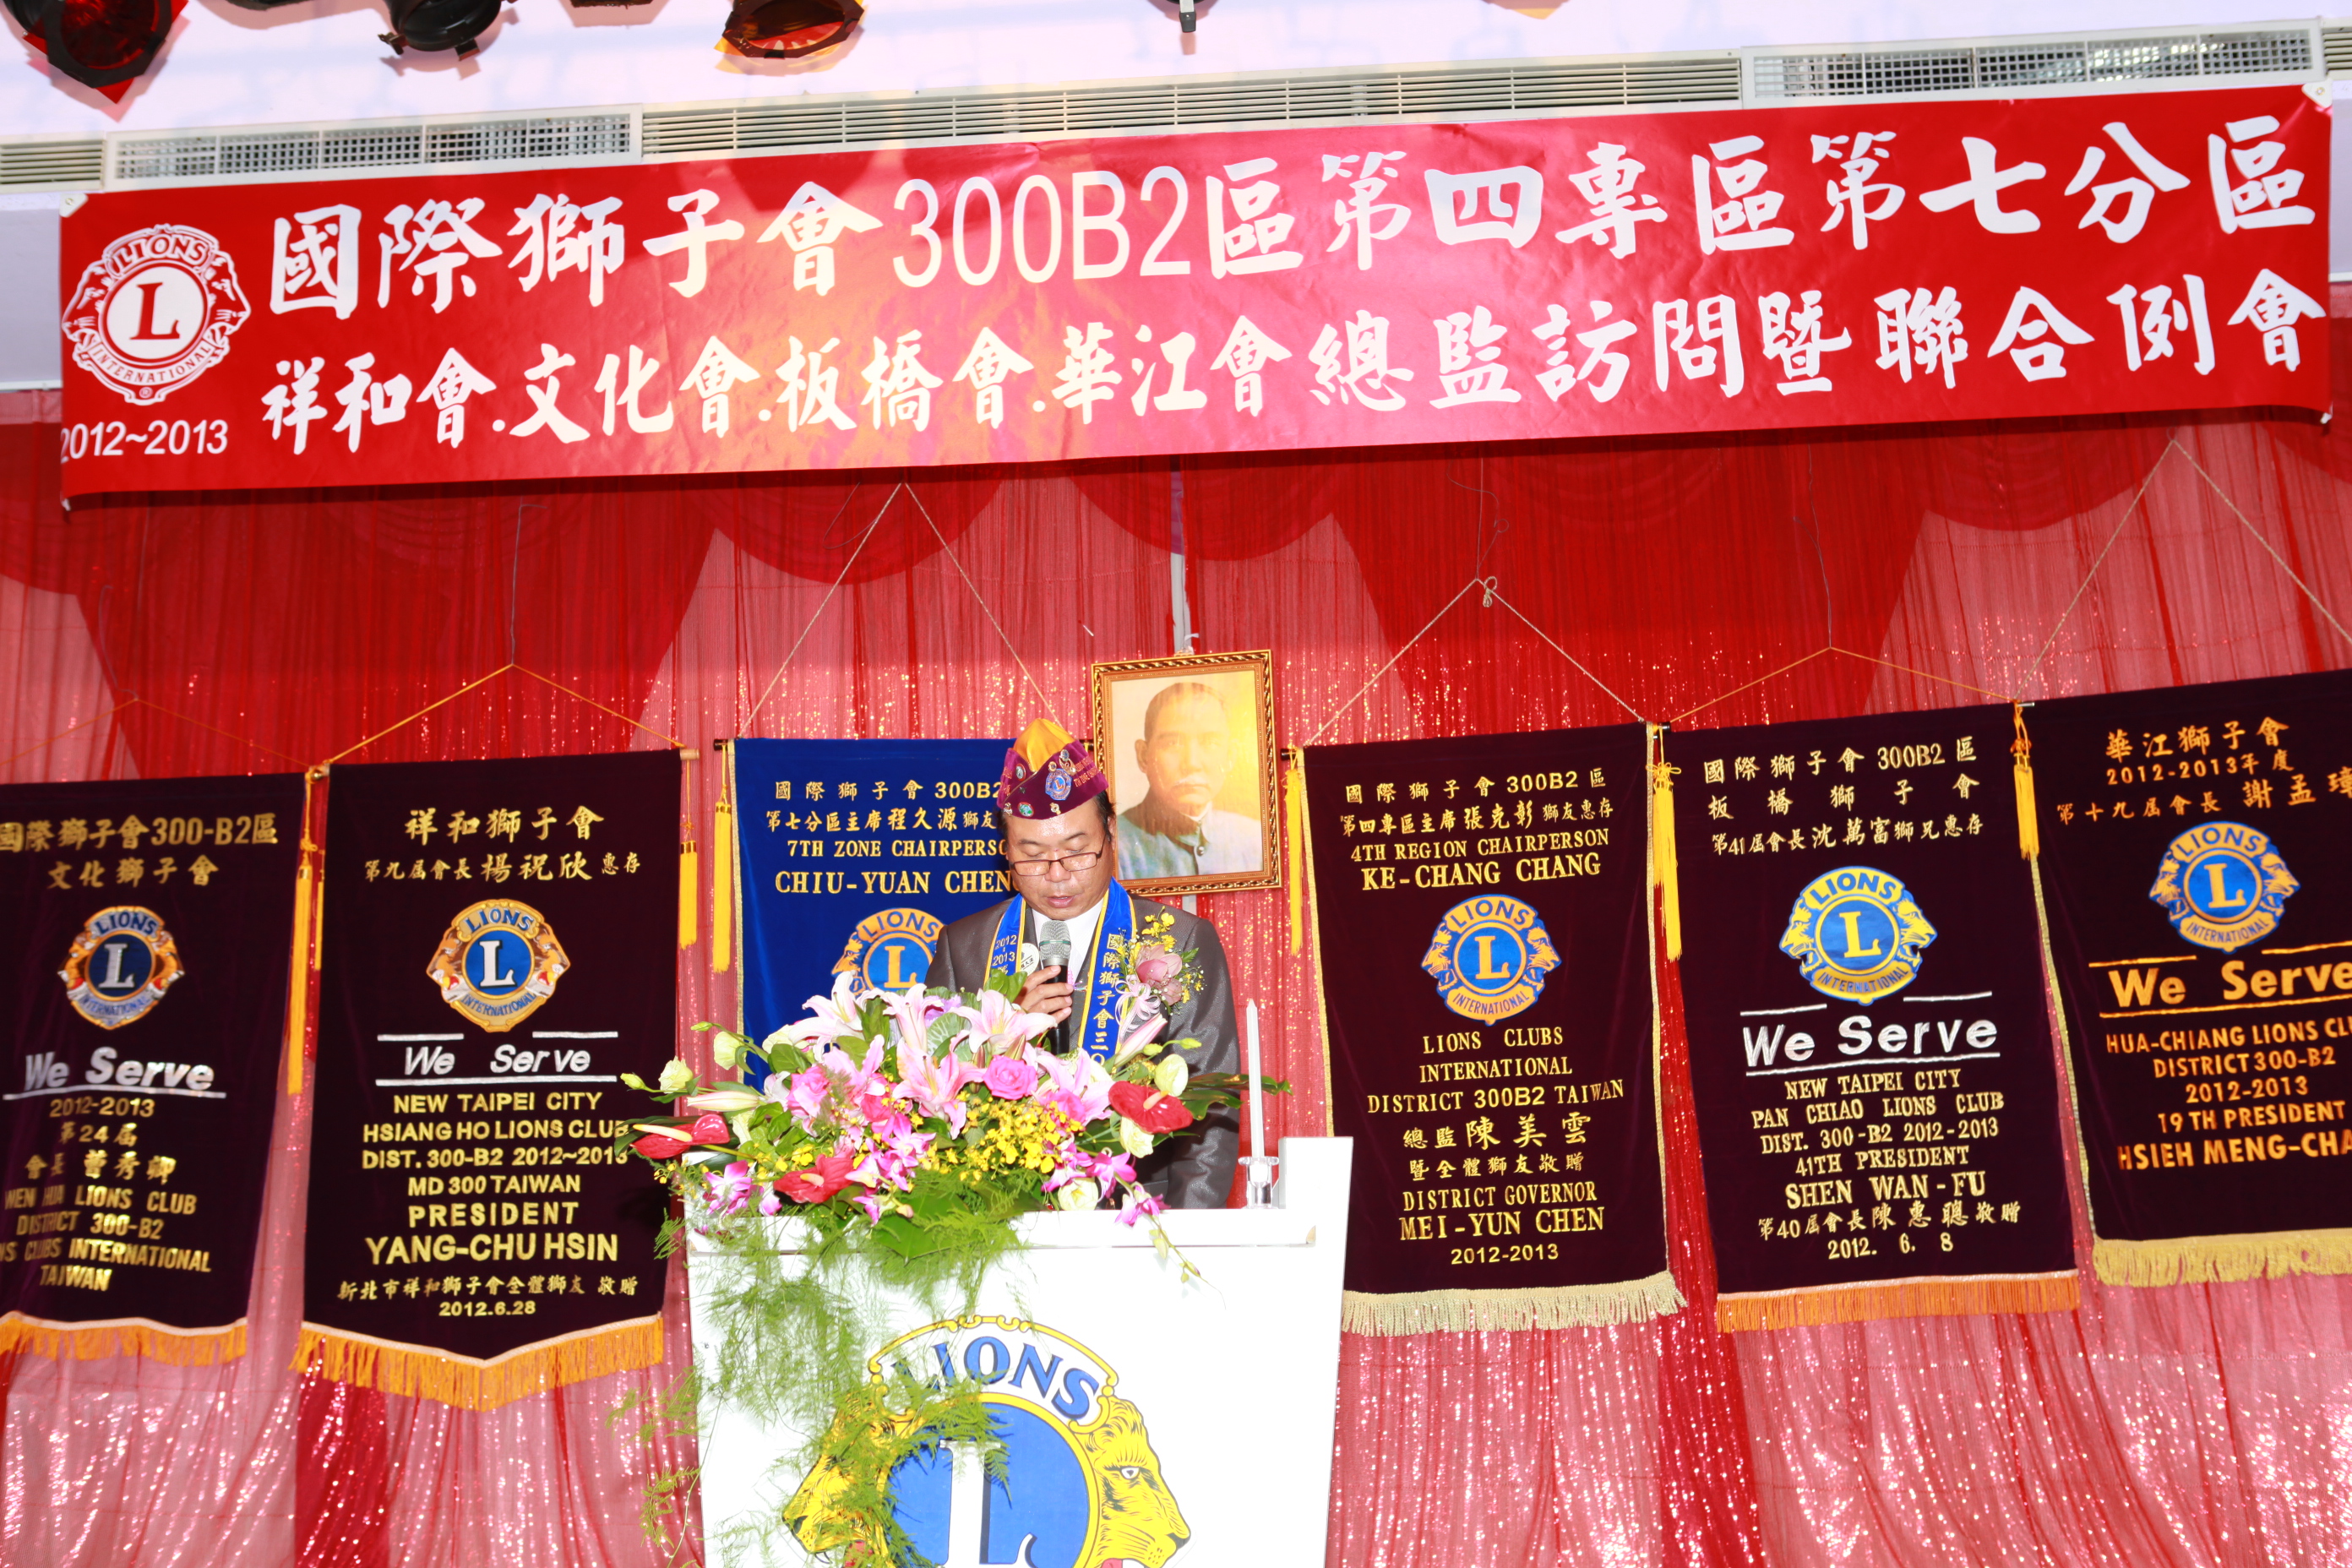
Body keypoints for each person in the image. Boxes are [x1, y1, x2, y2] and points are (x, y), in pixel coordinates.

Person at [926, 718, 1240, 1209]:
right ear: (1005, 851)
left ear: (1111, 834)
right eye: (1032, 856)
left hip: (1137, 1217)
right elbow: (931, 1095)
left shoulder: (1178, 941)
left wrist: (1178, 1237)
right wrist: (1005, 1034)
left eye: (1076, 852)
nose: (1057, 876)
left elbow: (1209, 1111)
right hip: (997, 1222)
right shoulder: (964, 947)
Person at [1113, 680, 1262, 879]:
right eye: (1172, 743)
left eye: (1210, 743)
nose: (1191, 763)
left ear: (1230, 757)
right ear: (1144, 756)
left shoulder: (1256, 840)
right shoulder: (1112, 845)